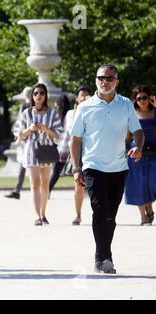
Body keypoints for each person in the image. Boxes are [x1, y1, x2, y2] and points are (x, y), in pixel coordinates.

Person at [70, 64, 143, 274]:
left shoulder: (126, 104)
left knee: (110, 216)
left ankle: (101, 256)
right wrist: (76, 167)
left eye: (109, 78)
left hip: (119, 168)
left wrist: (137, 146)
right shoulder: (85, 107)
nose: (104, 81)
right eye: (101, 77)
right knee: (99, 211)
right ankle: (105, 257)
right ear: (96, 80)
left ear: (117, 82)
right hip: (93, 167)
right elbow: (75, 139)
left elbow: (137, 131)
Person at [17, 83, 63, 226]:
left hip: (47, 150)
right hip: (31, 151)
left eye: (41, 93)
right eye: (36, 93)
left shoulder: (52, 113)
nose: (38, 96)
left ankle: (44, 214)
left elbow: (59, 134)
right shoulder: (26, 113)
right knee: (34, 184)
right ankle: (37, 216)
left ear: (45, 95)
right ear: (32, 96)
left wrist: (46, 129)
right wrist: (30, 129)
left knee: (45, 183)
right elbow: (20, 135)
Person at [124, 86, 156, 225]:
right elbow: (126, 136)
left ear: (150, 98)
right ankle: (143, 217)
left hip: (154, 153)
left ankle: (149, 206)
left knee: (152, 183)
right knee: (138, 184)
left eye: (145, 98)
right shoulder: (132, 114)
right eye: (139, 99)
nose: (142, 101)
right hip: (136, 153)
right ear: (135, 100)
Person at [61, 86, 91, 225]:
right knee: (78, 186)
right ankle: (78, 215)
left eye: (87, 96)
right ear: (77, 98)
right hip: (78, 152)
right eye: (81, 96)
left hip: (93, 151)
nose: (84, 98)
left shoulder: (95, 111)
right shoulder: (70, 114)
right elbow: (70, 132)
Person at [5, 86, 32, 199]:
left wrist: (17, 137)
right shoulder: (37, 107)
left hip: (26, 140)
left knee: (24, 166)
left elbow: (19, 123)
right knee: (26, 166)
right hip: (32, 140)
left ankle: (18, 190)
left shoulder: (24, 107)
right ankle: (18, 190)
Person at [48, 94, 71, 192]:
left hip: (63, 148)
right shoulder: (63, 116)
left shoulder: (66, 117)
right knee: (56, 171)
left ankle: (47, 191)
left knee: (56, 171)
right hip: (63, 148)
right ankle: (47, 191)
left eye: (56, 106)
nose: (55, 108)